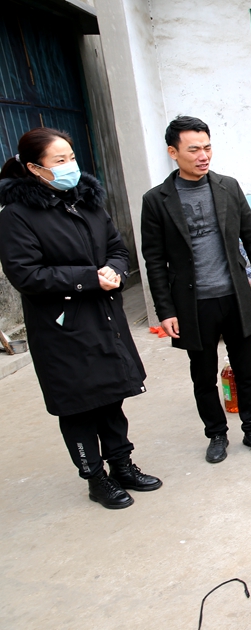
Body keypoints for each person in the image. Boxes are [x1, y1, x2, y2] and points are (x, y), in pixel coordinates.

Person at [0, 128, 161, 509]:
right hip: (62, 327)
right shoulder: (17, 216)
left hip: (104, 318)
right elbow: (26, 275)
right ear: (35, 168)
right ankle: (95, 478)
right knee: (78, 405)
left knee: (111, 397)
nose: (70, 166)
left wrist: (115, 270)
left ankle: (122, 465)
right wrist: (89, 278)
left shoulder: (86, 202)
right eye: (60, 160)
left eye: (71, 157)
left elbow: (117, 248)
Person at [140, 116, 251, 464]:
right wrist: (166, 311)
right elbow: (154, 260)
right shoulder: (156, 200)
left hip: (234, 296)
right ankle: (216, 433)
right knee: (203, 376)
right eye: (193, 150)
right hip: (193, 303)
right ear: (173, 153)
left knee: (246, 371)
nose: (203, 156)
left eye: (207, 147)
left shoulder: (228, 187)